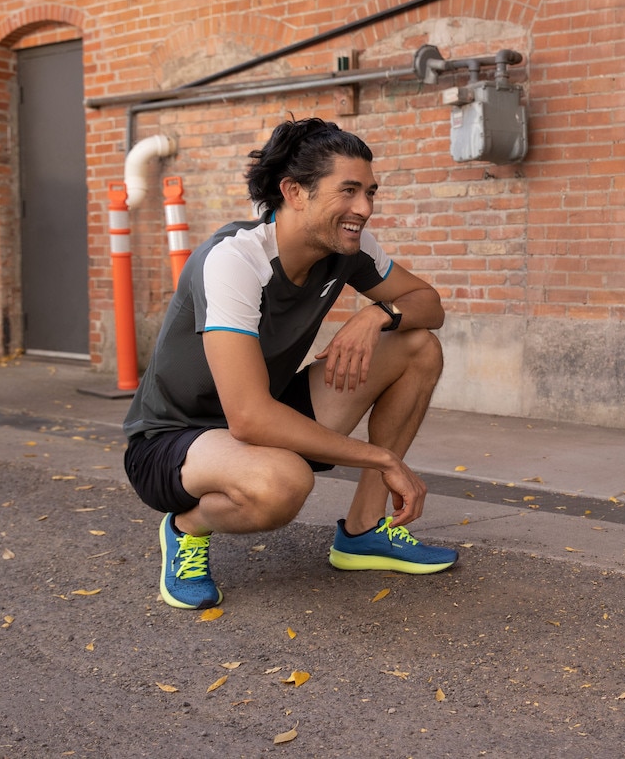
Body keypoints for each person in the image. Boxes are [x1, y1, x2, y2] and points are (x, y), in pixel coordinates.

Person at [123, 117, 457, 610]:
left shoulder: (348, 249)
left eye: (370, 192)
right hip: (174, 441)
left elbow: (428, 303)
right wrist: (382, 458)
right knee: (283, 483)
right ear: (295, 192)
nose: (363, 208)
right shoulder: (234, 260)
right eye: (348, 191)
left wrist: (377, 316)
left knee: (418, 346)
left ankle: (364, 531)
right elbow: (249, 417)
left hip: (262, 416)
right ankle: (186, 528)